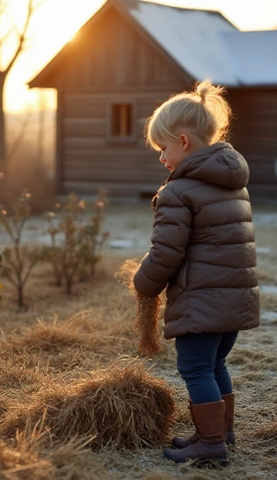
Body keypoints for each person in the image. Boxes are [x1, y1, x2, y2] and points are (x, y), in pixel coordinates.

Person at [133, 79, 260, 466]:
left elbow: (167, 252)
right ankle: (221, 433)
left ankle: (210, 445)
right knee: (215, 365)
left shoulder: (179, 191)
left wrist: (144, 283)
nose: (161, 158)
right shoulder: (231, 184)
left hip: (201, 304)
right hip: (232, 302)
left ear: (184, 142)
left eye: (163, 148)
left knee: (195, 368)